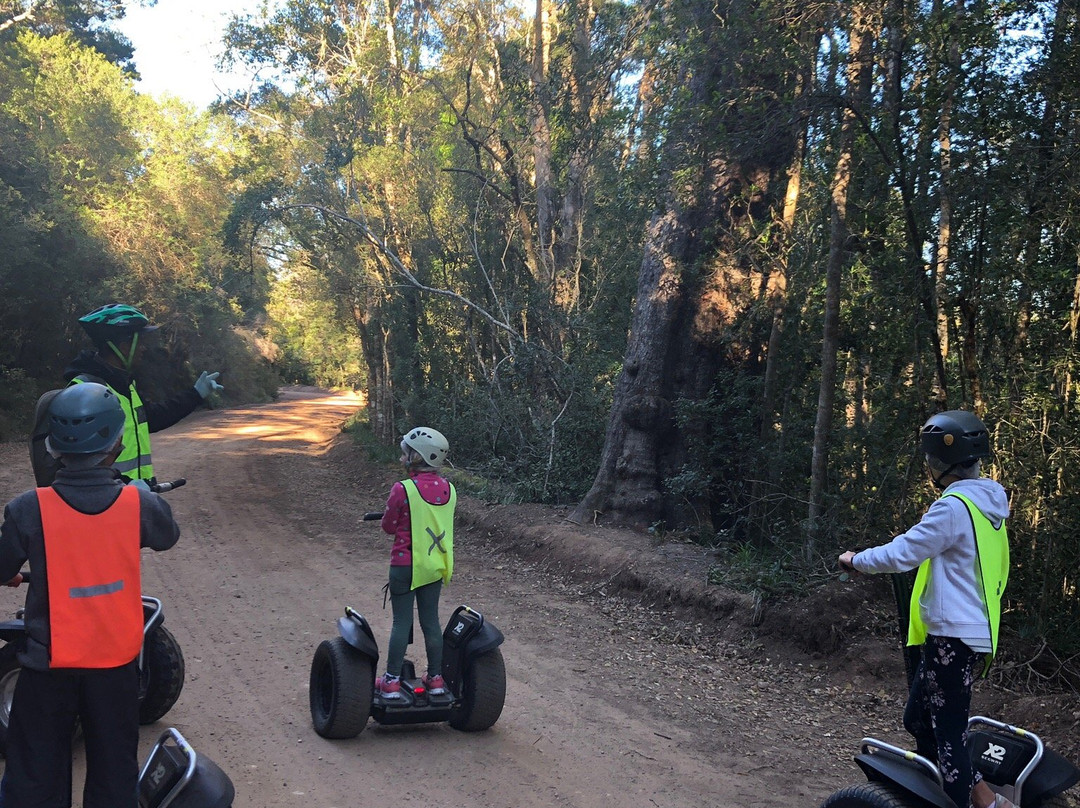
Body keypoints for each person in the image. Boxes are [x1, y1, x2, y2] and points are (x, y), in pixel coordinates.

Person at [0, 383, 181, 808]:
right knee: (114, 772)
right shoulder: (138, 502)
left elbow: (2, 567)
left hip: (48, 667)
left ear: (52, 447)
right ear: (115, 443)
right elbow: (167, 536)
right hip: (114, 667)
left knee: (33, 776)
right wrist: (141, 492)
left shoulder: (28, 508)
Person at [839, 410, 1012, 808]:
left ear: (940, 463)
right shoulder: (989, 505)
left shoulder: (954, 508)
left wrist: (856, 559)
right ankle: (985, 799)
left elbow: (904, 552)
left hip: (954, 635)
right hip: (970, 633)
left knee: (948, 732)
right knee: (919, 720)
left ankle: (972, 803)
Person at [64, 303, 224, 483]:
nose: (143, 349)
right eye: (139, 343)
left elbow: (152, 418)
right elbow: (76, 458)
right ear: (124, 347)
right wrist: (119, 487)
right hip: (107, 502)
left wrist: (195, 394)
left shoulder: (125, 385)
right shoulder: (85, 391)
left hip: (135, 498)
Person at [376, 427, 456, 698]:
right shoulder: (449, 490)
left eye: (405, 454)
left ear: (417, 457)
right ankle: (435, 679)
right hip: (433, 565)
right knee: (431, 621)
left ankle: (391, 681)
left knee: (401, 622)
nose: (402, 458)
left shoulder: (402, 489)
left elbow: (389, 526)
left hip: (404, 565)